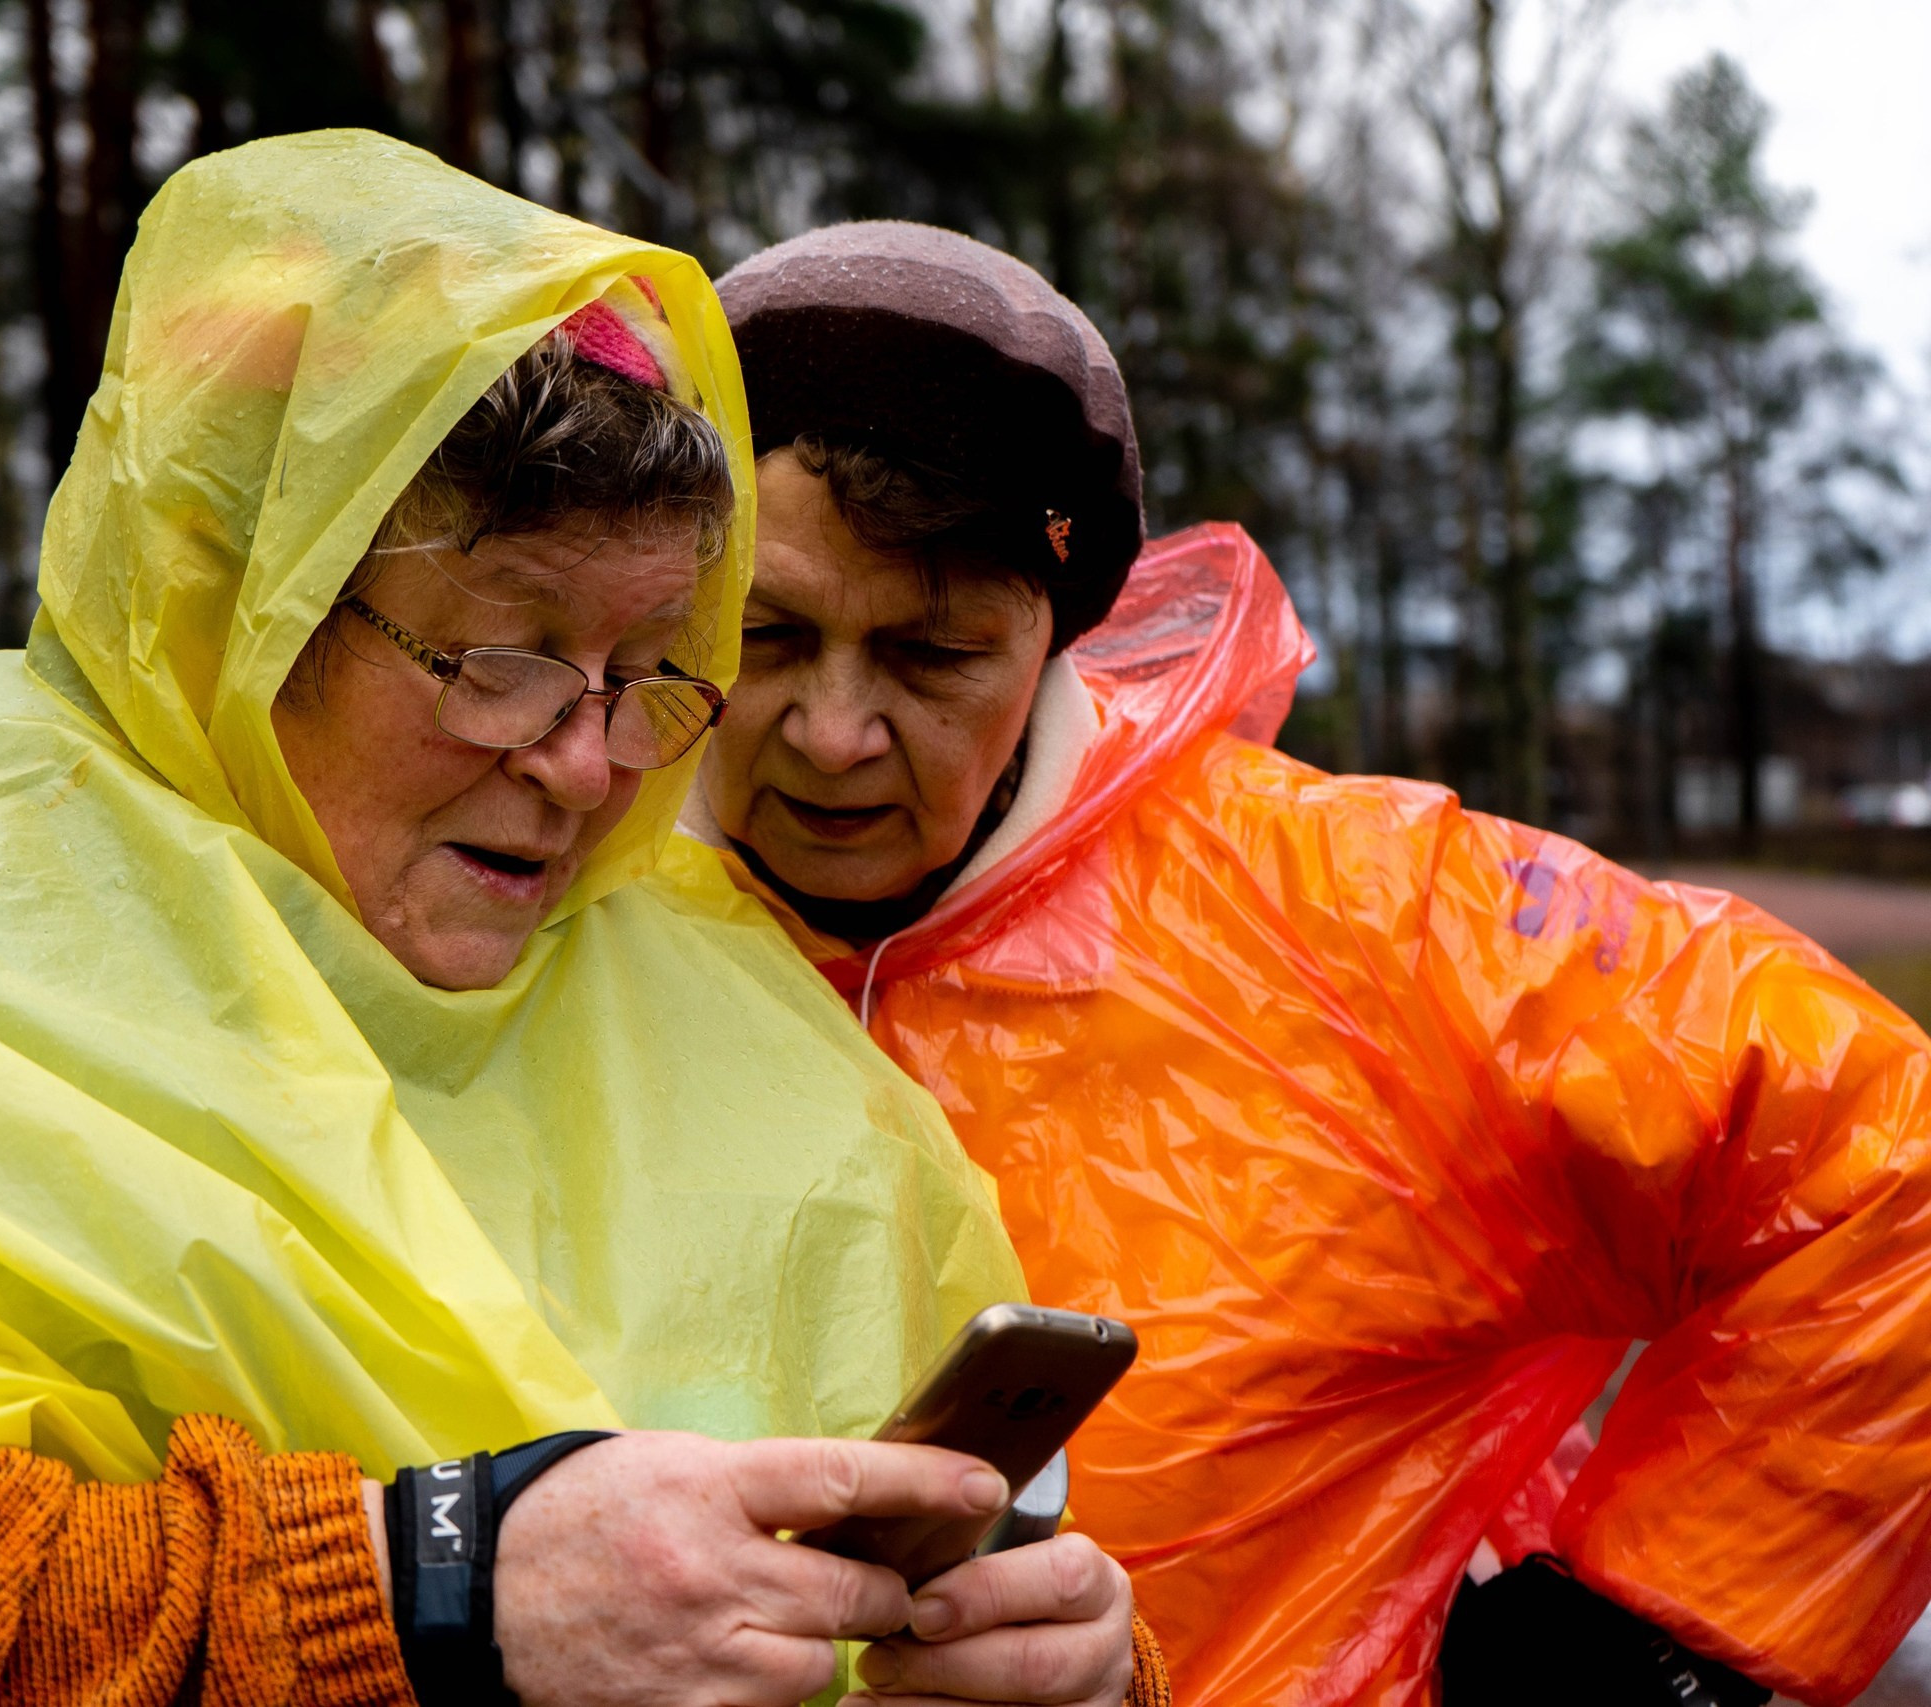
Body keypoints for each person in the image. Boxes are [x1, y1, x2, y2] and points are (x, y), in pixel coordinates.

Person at [0, 142, 1160, 1707]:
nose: (588, 762)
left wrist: (1071, 1669)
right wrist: (423, 1597)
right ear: (248, 603)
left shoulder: (727, 1002)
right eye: (506, 655)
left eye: (648, 669)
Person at [691, 219, 1931, 1707]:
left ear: (1057, 636)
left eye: (934, 655)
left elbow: (1887, 1162)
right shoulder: (543, 903)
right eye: (763, 635)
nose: (833, 733)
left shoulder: (1350, 923)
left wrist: (1645, 1650)